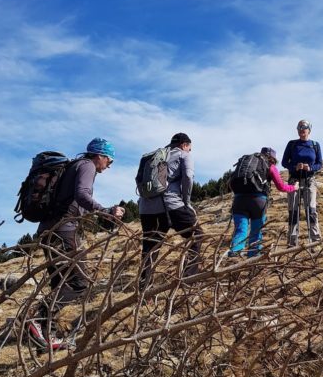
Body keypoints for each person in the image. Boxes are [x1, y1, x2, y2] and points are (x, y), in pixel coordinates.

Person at [28, 138, 124, 351]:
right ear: (100, 156)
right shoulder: (87, 165)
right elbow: (82, 195)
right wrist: (107, 211)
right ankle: (36, 318)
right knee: (80, 283)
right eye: (109, 161)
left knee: (59, 284)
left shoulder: (72, 166)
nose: (108, 166)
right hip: (64, 231)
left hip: (47, 230)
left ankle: (45, 338)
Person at [139, 132, 202, 286]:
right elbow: (188, 176)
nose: (189, 151)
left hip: (146, 208)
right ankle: (188, 278)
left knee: (150, 245)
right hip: (171, 205)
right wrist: (186, 202)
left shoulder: (151, 157)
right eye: (189, 148)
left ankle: (144, 284)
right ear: (184, 145)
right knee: (197, 235)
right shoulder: (183, 155)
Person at [228, 147, 297, 258]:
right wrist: (294, 187)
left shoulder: (246, 163)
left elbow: (231, 182)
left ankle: (233, 258)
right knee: (256, 232)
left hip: (239, 200)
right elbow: (281, 186)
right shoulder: (270, 166)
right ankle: (253, 261)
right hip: (258, 202)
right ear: (273, 159)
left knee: (240, 230)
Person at [281, 120, 323, 245]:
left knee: (311, 209)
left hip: (309, 180)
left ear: (309, 129)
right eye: (299, 127)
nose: (301, 129)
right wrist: (295, 167)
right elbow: (284, 162)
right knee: (293, 211)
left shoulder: (315, 145)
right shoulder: (292, 144)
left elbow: (319, 164)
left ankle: (315, 241)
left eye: (304, 127)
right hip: (294, 181)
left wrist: (310, 168)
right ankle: (292, 242)